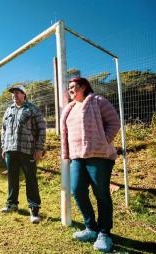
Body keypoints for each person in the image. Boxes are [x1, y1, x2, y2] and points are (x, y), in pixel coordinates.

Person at [61, 77, 120, 252]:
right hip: (77, 156)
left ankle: (104, 233)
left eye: (73, 87)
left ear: (84, 86)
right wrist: (66, 154)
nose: (70, 90)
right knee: (77, 190)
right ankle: (91, 227)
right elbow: (65, 134)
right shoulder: (69, 109)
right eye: (69, 87)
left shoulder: (98, 101)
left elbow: (114, 122)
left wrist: (103, 141)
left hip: (99, 156)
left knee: (100, 192)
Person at [0, 84, 46, 224]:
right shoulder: (8, 110)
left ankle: (34, 209)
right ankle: (12, 204)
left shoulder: (32, 109)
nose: (15, 95)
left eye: (18, 92)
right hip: (10, 150)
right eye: (13, 93)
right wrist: (3, 147)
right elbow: (3, 129)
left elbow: (42, 129)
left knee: (30, 179)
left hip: (27, 150)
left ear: (24, 94)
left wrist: (39, 148)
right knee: (12, 178)